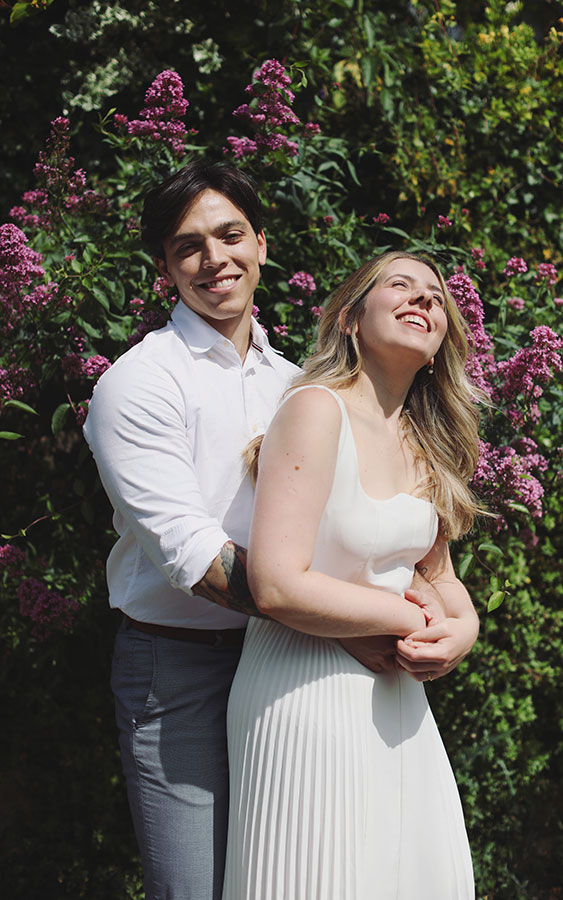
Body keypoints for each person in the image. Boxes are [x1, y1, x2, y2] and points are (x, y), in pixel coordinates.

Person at [222, 251, 483, 900]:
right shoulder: (315, 409)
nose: (423, 299)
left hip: (399, 702)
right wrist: (405, 617)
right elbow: (276, 584)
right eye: (401, 286)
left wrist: (464, 630)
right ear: (349, 319)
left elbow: (438, 574)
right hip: (304, 694)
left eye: (435, 296)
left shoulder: (428, 441)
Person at [83, 161, 301, 900]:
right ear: (165, 268)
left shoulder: (299, 385)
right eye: (189, 246)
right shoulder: (138, 384)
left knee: (287, 877)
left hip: (285, 658)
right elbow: (194, 555)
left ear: (262, 245)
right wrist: (345, 624)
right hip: (178, 675)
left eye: (231, 234)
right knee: (196, 890)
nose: (215, 259)